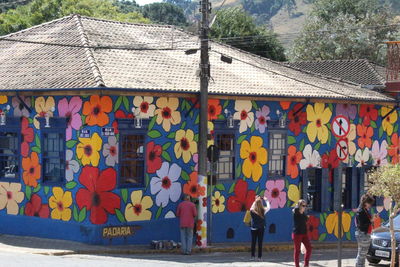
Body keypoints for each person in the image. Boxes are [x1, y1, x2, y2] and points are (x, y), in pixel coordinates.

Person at [355, 194, 376, 267]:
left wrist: (372, 219)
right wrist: (371, 220)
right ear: (365, 202)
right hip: (363, 234)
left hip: (364, 233)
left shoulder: (364, 210)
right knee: (362, 253)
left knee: (362, 253)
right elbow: (362, 224)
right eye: (369, 203)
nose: (370, 205)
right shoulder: (361, 211)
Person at [249, 195, 271, 261]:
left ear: (255, 203)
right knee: (260, 243)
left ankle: (253, 256)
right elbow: (269, 207)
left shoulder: (252, 211)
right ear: (261, 204)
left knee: (253, 242)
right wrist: (266, 200)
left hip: (254, 228)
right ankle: (259, 257)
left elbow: (251, 208)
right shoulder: (263, 210)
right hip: (261, 228)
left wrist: (255, 200)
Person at [293, 199, 312, 267]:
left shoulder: (303, 213)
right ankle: (297, 265)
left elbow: (306, 219)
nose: (305, 207)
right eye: (303, 205)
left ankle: (306, 264)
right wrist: (297, 206)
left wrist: (307, 217)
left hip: (304, 233)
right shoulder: (296, 212)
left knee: (309, 248)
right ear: (300, 206)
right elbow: (295, 209)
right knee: (297, 251)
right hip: (297, 234)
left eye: (305, 205)